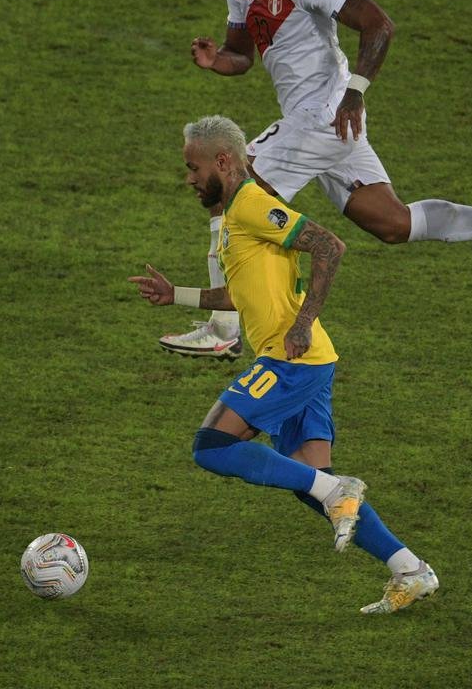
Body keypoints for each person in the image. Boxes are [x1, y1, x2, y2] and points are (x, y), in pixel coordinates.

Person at [159, 0, 472, 359]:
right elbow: (242, 55)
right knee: (393, 222)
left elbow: (379, 24)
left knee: (227, 184)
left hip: (325, 117)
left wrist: (355, 93)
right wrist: (216, 61)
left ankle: (224, 328)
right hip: (316, 124)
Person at [130, 114, 439, 614]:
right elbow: (240, 293)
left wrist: (301, 322)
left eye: (193, 167)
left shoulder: (252, 204)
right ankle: (410, 568)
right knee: (307, 482)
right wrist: (176, 296)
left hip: (292, 356)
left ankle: (338, 490)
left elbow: (329, 245)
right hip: (310, 357)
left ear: (223, 162)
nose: (188, 178)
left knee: (212, 446)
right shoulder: (236, 214)